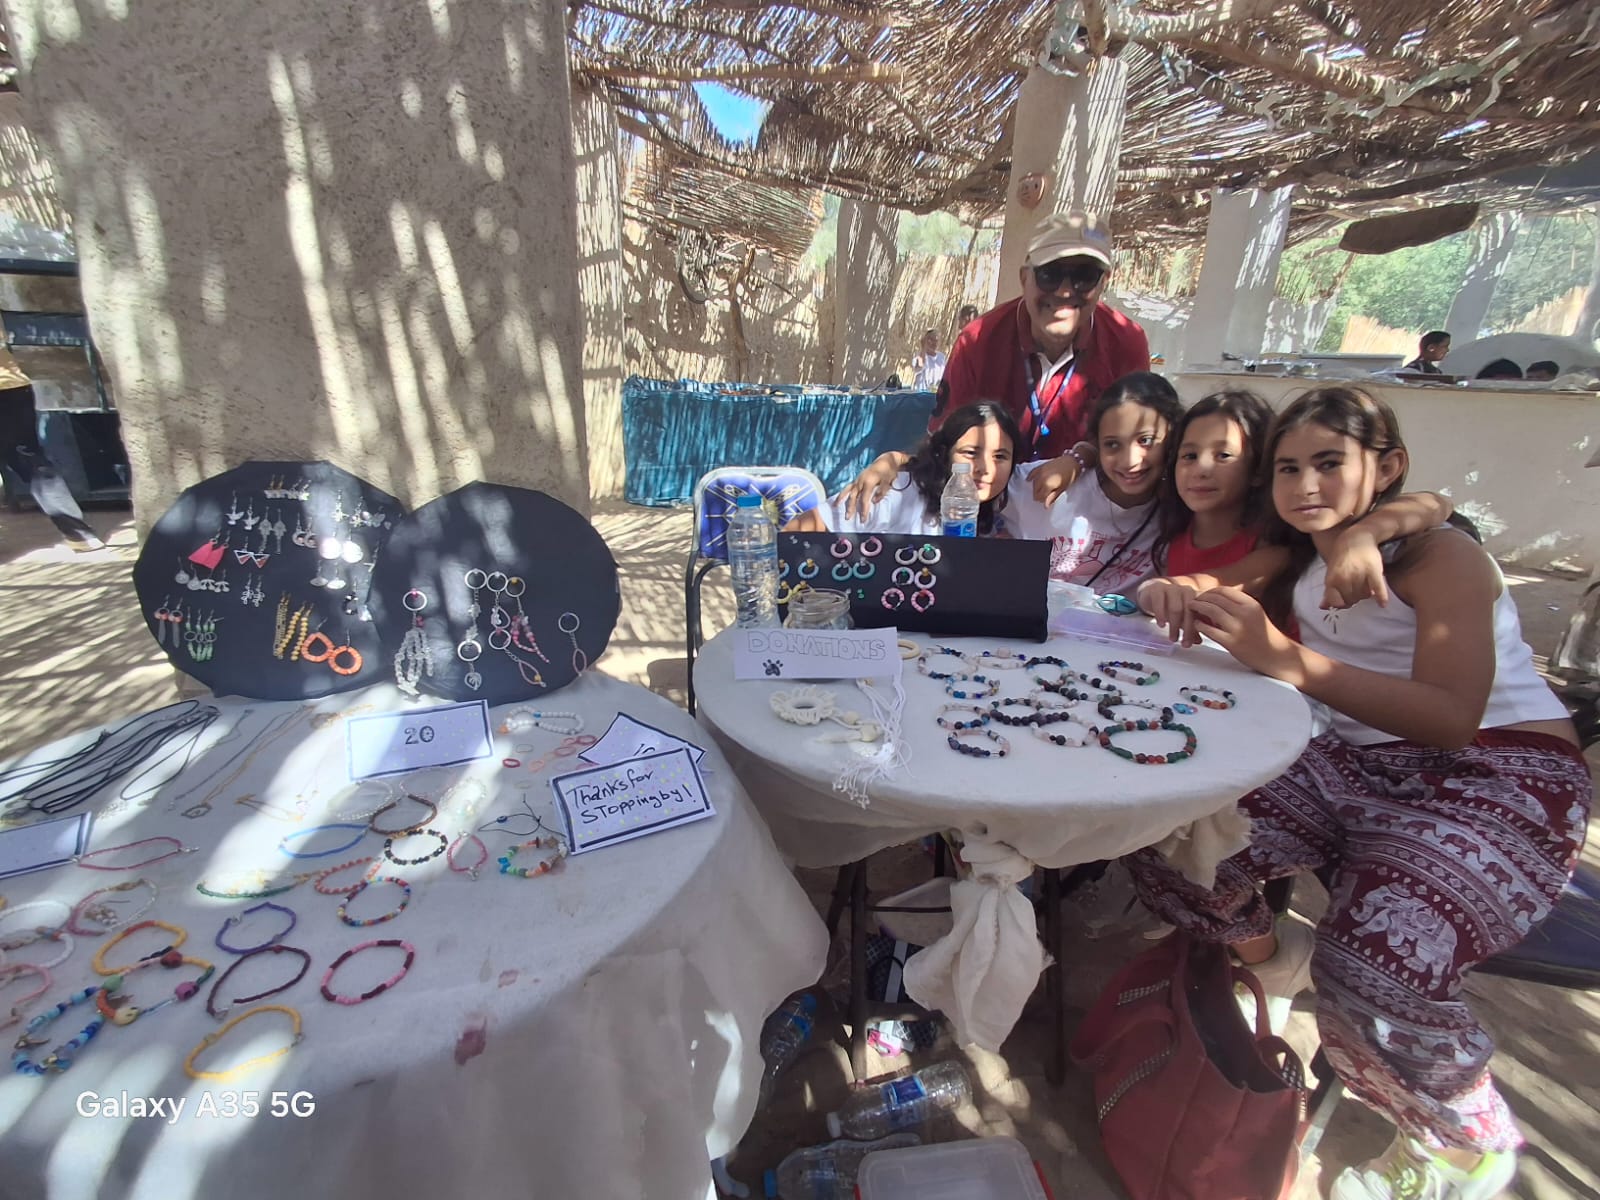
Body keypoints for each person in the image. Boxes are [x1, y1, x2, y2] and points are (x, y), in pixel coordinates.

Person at [1132, 385, 1589, 1200]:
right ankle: (1273, 959)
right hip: (1356, 762)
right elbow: (1204, 583)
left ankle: (1463, 1143)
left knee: (1376, 963)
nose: (1306, 484)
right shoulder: (1302, 556)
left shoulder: (1442, 555)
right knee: (1173, 829)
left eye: (1329, 463)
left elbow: (1451, 719)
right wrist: (1164, 593)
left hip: (1498, 776)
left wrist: (1288, 655)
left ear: (1387, 467)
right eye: (1287, 468)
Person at [838, 211, 1150, 518]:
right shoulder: (978, 341)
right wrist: (895, 460)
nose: (1065, 291)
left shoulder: (1126, 342)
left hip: (1085, 520)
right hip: (992, 515)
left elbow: (1137, 451)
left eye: (1085, 277)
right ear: (1025, 277)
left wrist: (1079, 459)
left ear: (1104, 282)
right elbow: (945, 446)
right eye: (1050, 274)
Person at [1152, 387, 1456, 591]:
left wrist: (1363, 536)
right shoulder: (1171, 530)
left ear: (1259, 469)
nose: (1202, 469)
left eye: (1224, 455)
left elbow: (1436, 503)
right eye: (1189, 456)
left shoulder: (1281, 545)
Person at [1009, 371, 1177, 591]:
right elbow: (978, 486)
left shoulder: (1182, 506)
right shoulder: (1047, 482)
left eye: (1145, 440)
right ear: (1097, 442)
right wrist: (1078, 457)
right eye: (1112, 444)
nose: (1129, 461)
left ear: (1173, 438)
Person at [786, 401, 1028, 537]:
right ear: (944, 454)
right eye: (970, 453)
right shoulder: (896, 492)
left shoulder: (1002, 509)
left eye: (1000, 456)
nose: (984, 468)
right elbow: (798, 532)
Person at [0, 321, 105, 551]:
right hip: (12, 386)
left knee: (28, 458)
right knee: (29, 458)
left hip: (10, 385)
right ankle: (80, 535)